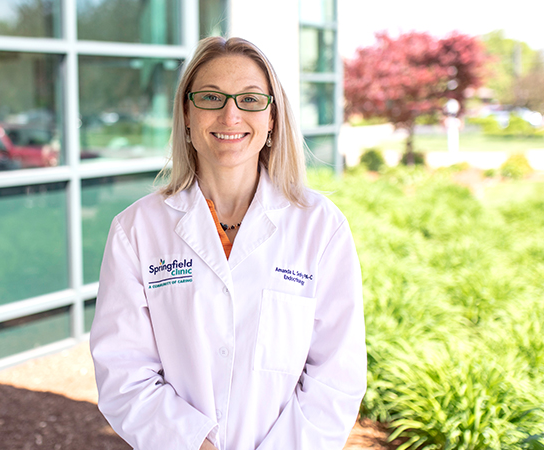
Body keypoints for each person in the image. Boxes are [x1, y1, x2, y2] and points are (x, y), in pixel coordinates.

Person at [90, 36, 366, 450]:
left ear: (272, 117)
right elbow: (123, 371)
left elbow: (336, 374)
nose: (230, 114)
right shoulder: (137, 230)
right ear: (186, 113)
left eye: (251, 100)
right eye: (211, 97)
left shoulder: (320, 226)